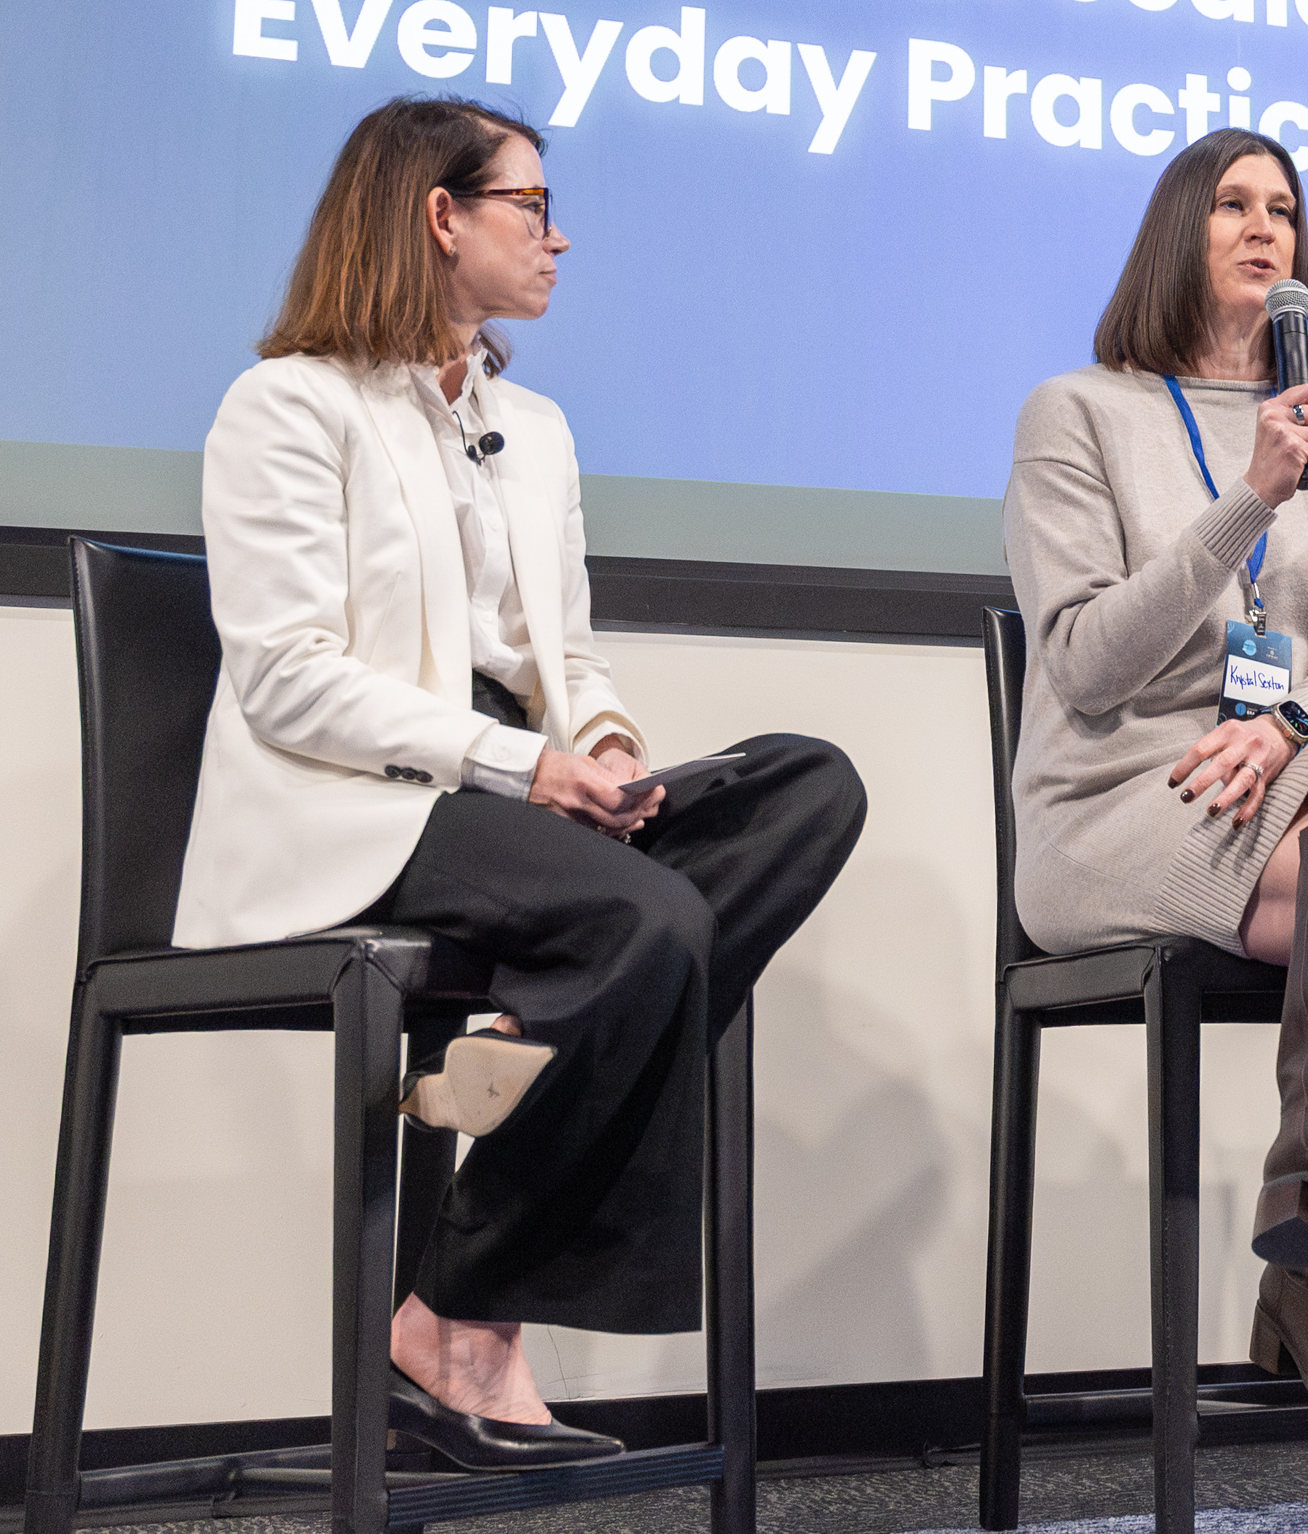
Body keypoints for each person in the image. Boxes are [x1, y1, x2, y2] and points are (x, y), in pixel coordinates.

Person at [184, 96, 868, 1470]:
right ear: (440, 214)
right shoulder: (290, 404)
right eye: (532, 205)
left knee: (809, 784)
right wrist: (522, 761)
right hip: (369, 801)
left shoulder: (535, 427)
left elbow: (564, 653)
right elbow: (287, 675)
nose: (563, 235)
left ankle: (544, 1022)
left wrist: (604, 745)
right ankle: (456, 1314)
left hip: (524, 796)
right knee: (650, 928)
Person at [1002, 129, 1308, 1414]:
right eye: (1230, 204)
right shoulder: (1077, 413)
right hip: (1118, 803)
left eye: (1283, 209)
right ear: (1178, 230)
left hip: (1275, 782)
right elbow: (1089, 667)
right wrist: (1250, 500)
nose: (1264, 228)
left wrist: (1282, 729)